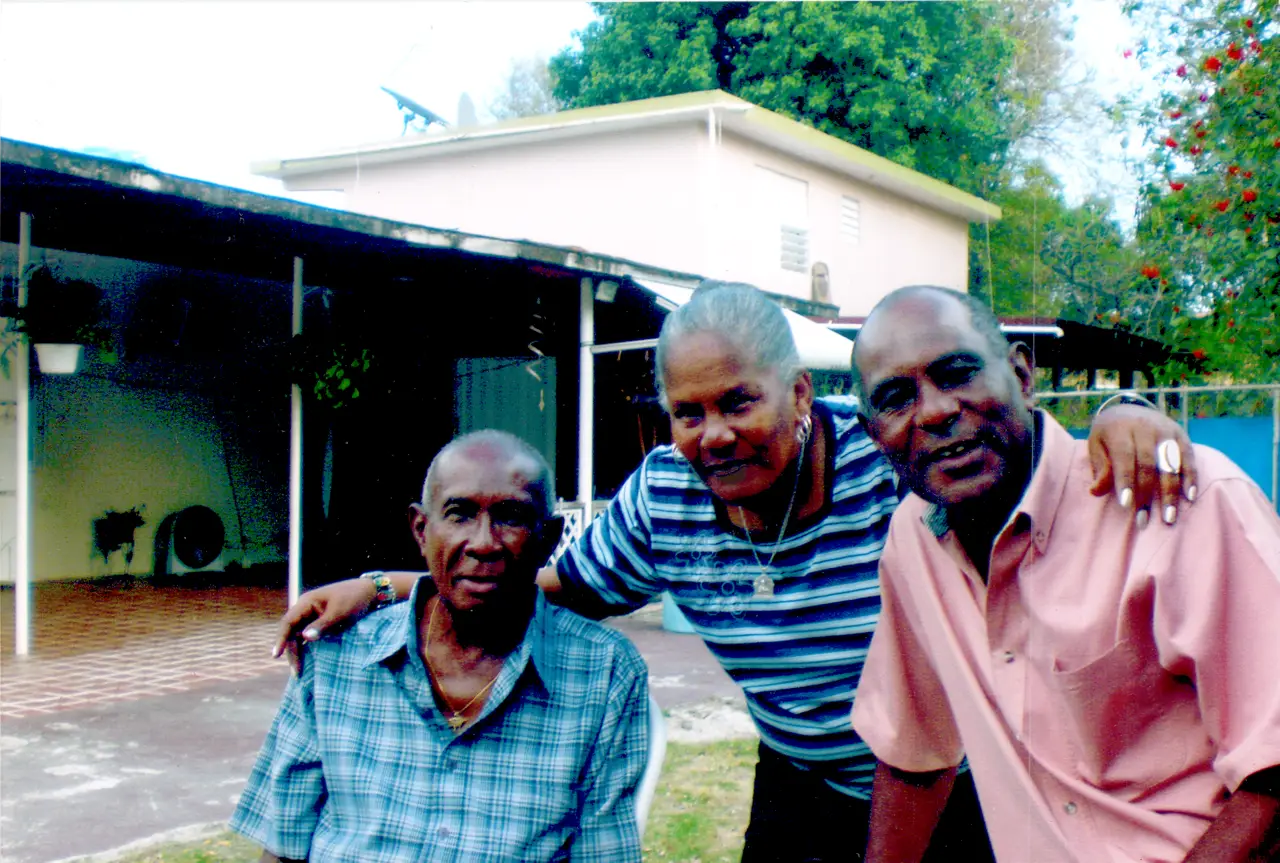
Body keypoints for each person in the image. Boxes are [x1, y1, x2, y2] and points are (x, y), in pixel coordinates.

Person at [276, 282, 1195, 862]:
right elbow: (542, 585)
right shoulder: (667, 497)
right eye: (687, 411)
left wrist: (1122, 408)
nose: (712, 433)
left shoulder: (892, 456)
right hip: (802, 780)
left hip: (962, 781)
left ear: (800, 395)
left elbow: (1014, 451)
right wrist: (392, 585)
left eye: (737, 401)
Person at [849, 285, 1280, 863]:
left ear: (1022, 376)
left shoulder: (1178, 502)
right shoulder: (914, 541)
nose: (935, 411)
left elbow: (1273, 773)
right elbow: (914, 759)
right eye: (897, 398)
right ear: (873, 428)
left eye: (957, 373)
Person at [232, 430, 650, 863]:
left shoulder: (605, 674)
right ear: (420, 529)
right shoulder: (336, 655)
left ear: (549, 537)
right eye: (460, 514)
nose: (484, 542)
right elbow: (282, 847)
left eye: (510, 517)